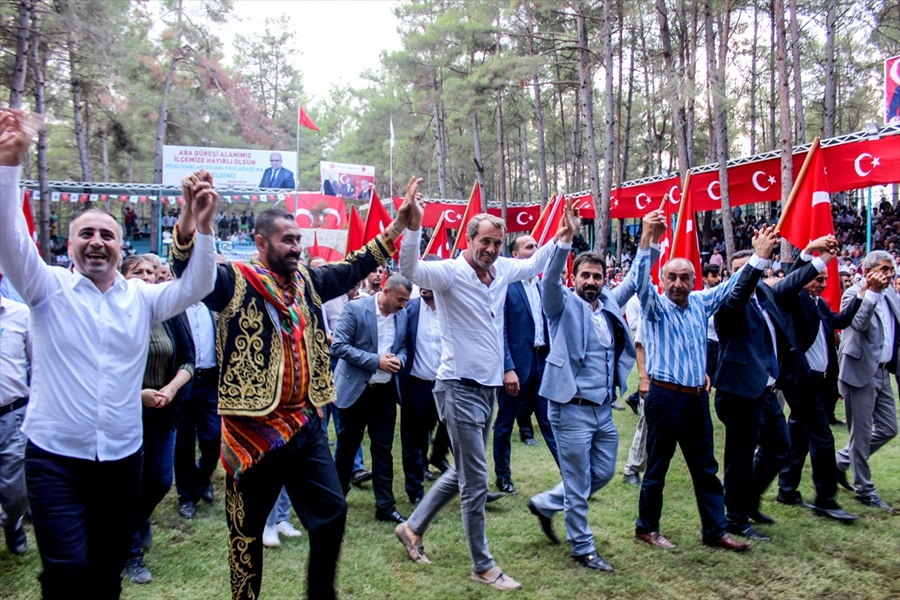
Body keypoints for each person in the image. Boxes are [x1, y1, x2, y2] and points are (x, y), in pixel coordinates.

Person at [0, 108, 217, 599]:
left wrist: (203, 227)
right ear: (71, 246)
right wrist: (9, 165)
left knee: (106, 570)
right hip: (55, 457)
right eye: (86, 234)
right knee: (68, 570)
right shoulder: (46, 289)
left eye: (107, 236)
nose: (96, 242)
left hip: (121, 457)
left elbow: (198, 284)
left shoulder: (141, 299)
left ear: (121, 248)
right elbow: (9, 241)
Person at [171, 190, 410, 600]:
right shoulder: (234, 281)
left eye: (299, 239)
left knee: (333, 514)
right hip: (253, 432)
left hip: (304, 424)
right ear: (261, 243)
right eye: (288, 240)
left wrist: (400, 224)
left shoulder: (310, 282)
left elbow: (357, 264)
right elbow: (189, 270)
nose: (297, 247)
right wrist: (194, 221)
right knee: (245, 533)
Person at [393, 177, 563, 591]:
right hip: (456, 387)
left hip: (486, 389)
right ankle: (482, 565)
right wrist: (413, 226)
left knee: (466, 470)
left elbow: (534, 263)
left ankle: (412, 528)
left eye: (497, 244)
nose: (490, 250)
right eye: (484, 241)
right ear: (469, 239)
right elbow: (409, 269)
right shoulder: (450, 273)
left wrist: (563, 238)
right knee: (476, 481)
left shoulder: (503, 269)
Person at [526, 203, 661, 573]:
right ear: (576, 277)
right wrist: (564, 240)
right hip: (569, 407)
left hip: (602, 409)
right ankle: (582, 547)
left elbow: (634, 280)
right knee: (577, 480)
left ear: (603, 279)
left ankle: (547, 503)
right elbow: (550, 281)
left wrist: (650, 243)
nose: (590, 281)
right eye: (584, 275)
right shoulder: (561, 304)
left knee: (600, 474)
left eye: (596, 276)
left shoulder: (610, 304)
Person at [633, 224, 779, 552]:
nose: (678, 283)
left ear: (694, 281)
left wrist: (758, 256)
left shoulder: (700, 302)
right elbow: (640, 285)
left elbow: (733, 286)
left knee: (706, 469)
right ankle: (647, 527)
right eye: (671, 277)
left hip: (696, 400)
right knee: (657, 467)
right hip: (665, 397)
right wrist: (646, 242)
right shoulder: (654, 308)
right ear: (663, 280)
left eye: (684, 277)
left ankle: (714, 530)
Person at [714, 239, 837, 542]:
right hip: (740, 393)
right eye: (738, 271)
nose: (746, 276)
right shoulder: (728, 303)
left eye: (751, 269)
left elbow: (794, 281)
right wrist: (756, 260)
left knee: (779, 448)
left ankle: (749, 500)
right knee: (740, 459)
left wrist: (819, 258)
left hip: (766, 391)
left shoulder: (765, 295)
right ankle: (735, 518)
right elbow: (742, 290)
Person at [120, 255, 196, 585]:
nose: (147, 277)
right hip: (124, 414)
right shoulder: (116, 314)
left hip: (164, 412)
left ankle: (140, 519)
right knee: (128, 486)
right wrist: (140, 395)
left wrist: (169, 388)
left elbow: (188, 360)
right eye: (138, 271)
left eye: (151, 272)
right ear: (123, 277)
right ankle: (131, 553)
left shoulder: (170, 312)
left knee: (161, 480)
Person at [776, 258, 861, 522]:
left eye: (825, 279)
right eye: (817, 278)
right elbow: (790, 280)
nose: (822, 284)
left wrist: (861, 293)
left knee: (799, 434)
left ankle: (787, 489)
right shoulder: (794, 298)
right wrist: (810, 257)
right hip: (801, 379)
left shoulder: (820, 304)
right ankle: (826, 499)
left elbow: (840, 320)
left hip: (820, 381)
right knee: (823, 438)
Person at [332, 273, 411, 524]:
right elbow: (339, 346)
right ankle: (335, 500)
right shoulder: (355, 309)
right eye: (400, 299)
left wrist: (400, 359)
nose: (403, 305)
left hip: (385, 393)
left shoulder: (403, 315)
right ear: (385, 291)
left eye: (406, 300)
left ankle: (385, 506)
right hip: (356, 390)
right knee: (346, 447)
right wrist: (375, 360)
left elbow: (404, 347)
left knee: (383, 450)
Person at [493, 234, 559, 496]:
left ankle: (571, 478)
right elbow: (501, 330)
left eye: (536, 246)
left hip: (542, 362)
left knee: (550, 421)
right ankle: (503, 478)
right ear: (515, 255)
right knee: (505, 423)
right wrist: (507, 367)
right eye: (529, 247)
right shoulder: (507, 286)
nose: (535, 250)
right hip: (515, 367)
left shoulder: (542, 287)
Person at [835, 250, 899, 511]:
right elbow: (858, 324)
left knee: (889, 427)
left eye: (890, 270)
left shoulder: (892, 294)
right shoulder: (854, 293)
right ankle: (864, 489)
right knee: (860, 435)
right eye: (883, 269)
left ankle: (838, 461)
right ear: (867, 269)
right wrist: (871, 292)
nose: (888, 275)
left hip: (883, 371)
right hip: (859, 370)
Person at [174, 297, 221, 520]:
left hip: (211, 381)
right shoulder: (175, 307)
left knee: (214, 437)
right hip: (184, 380)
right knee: (184, 442)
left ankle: (202, 477)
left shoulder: (214, 306)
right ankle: (187, 498)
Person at [0, 269, 30, 556]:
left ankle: (12, 522)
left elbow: (39, 364)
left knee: (17, 491)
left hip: (13, 415)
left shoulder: (20, 315)